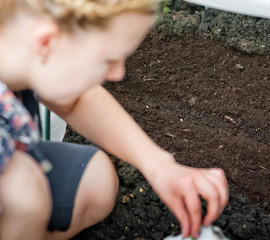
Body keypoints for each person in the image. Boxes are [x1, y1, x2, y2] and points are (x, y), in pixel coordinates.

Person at [0, 0, 229, 239]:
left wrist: (159, 166)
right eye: (107, 60)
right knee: (23, 192)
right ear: (46, 42)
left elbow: (76, 101)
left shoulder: (19, 51)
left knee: (96, 182)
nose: (118, 74)